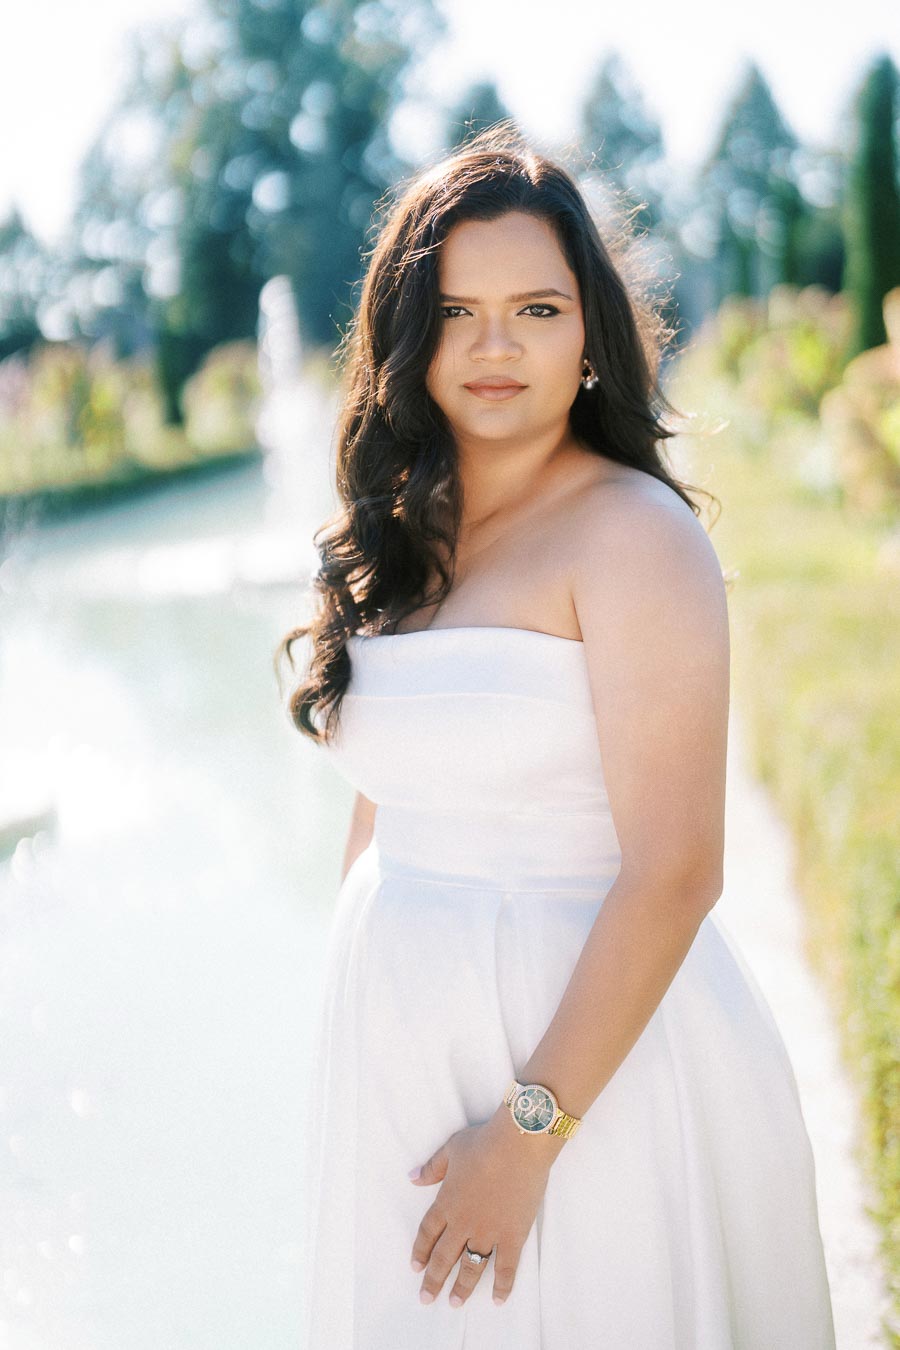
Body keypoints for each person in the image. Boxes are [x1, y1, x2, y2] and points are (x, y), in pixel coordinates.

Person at [277, 123, 836, 1349]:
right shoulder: (402, 537)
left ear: (591, 332)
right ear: (408, 337)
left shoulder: (635, 538)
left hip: (588, 1081)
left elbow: (678, 870)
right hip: (401, 1062)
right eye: (459, 312)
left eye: (535, 308)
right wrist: (361, 1012)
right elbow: (388, 796)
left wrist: (528, 1140)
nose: (495, 348)